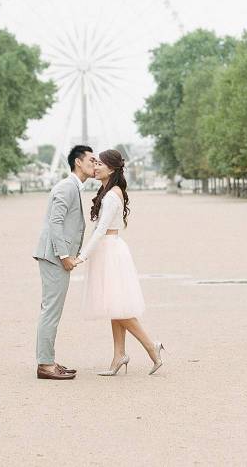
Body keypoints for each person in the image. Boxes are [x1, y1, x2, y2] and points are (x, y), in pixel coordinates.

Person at [75, 149, 165, 376]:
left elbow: (101, 229)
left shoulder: (113, 194)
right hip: (108, 249)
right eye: (95, 164)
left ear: (112, 169)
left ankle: (150, 346)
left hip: (110, 250)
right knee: (115, 305)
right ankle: (119, 355)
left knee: (120, 307)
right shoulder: (108, 190)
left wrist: (83, 255)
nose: (95, 168)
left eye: (100, 165)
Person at [32, 145, 96, 380]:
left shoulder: (73, 187)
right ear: (78, 162)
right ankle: (45, 365)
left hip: (53, 255)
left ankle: (47, 360)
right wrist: (64, 256)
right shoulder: (67, 187)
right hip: (53, 257)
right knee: (51, 311)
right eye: (91, 159)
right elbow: (55, 223)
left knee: (51, 310)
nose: (95, 163)